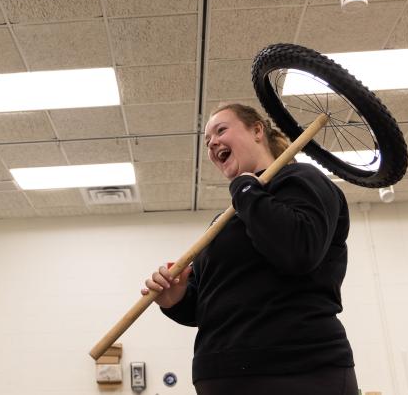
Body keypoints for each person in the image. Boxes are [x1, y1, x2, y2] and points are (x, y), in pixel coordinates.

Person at [142, 103, 358, 395]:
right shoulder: (226, 219)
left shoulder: (301, 179)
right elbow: (211, 301)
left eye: (221, 130)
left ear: (257, 130)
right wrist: (176, 298)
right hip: (222, 375)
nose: (212, 143)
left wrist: (245, 188)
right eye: (207, 141)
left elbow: (298, 251)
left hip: (297, 369)